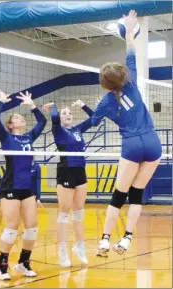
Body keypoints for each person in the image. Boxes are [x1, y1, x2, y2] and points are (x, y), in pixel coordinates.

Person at [91, 11, 162, 257]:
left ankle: (105, 240)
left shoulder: (104, 102)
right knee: (137, 194)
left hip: (131, 145)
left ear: (105, 84)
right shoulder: (131, 82)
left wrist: (88, 112)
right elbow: (131, 54)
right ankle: (127, 239)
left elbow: (93, 122)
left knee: (119, 195)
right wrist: (129, 32)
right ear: (122, 77)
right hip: (153, 143)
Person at [0, 89, 47, 280]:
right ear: (11, 125)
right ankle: (2, 265)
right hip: (10, 187)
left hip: (27, 190)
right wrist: (1, 102)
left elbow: (43, 122)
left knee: (32, 227)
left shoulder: (29, 137)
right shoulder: (6, 138)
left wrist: (32, 106)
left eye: (21, 117)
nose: (20, 118)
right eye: (16, 117)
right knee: (11, 227)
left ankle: (23, 263)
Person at [42, 100, 94, 267]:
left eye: (69, 113)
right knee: (64, 213)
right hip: (66, 170)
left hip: (80, 171)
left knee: (79, 212)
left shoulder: (78, 129)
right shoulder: (57, 130)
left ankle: (80, 247)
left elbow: (95, 118)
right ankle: (62, 251)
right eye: (65, 113)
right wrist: (53, 107)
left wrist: (82, 105)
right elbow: (55, 118)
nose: (67, 115)